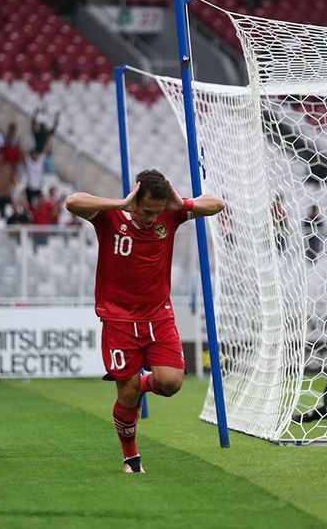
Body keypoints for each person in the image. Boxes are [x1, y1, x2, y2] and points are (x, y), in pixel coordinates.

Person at [65, 168, 225, 473]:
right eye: (147, 210)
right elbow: (72, 202)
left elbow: (217, 205)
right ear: (135, 199)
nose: (153, 218)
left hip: (158, 316)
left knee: (171, 382)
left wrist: (182, 204)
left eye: (158, 211)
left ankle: (142, 385)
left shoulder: (170, 215)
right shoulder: (109, 217)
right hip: (118, 318)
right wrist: (119, 204)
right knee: (125, 394)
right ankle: (131, 457)